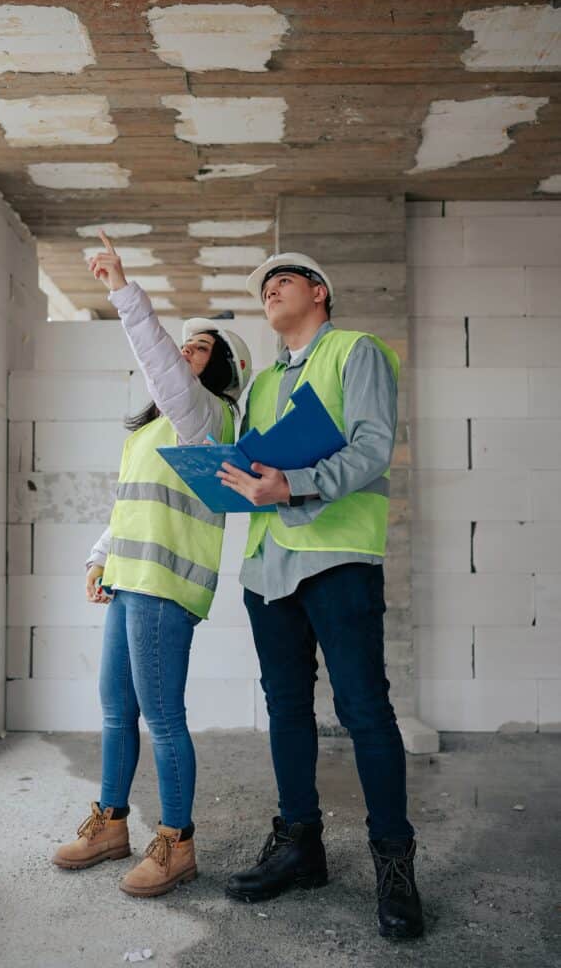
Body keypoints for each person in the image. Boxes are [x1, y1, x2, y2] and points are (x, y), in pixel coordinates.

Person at [217, 253, 424, 940]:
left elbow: (371, 449)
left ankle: (394, 863)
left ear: (319, 292)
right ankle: (300, 845)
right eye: (262, 285)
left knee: (364, 712)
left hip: (335, 558)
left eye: (285, 277)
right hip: (265, 566)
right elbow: (254, 466)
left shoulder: (353, 351)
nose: (269, 286)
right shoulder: (264, 380)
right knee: (285, 710)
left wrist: (292, 484)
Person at [52, 233, 252, 898]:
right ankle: (111, 824)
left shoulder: (209, 418)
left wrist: (122, 290)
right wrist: (98, 558)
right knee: (115, 710)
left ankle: (176, 842)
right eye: (184, 343)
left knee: (161, 716)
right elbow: (129, 507)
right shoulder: (152, 429)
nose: (183, 353)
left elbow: (162, 369)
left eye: (200, 348)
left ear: (223, 371)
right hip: (129, 578)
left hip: (167, 587)